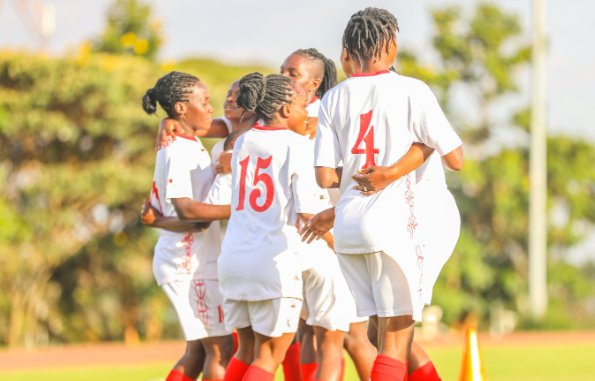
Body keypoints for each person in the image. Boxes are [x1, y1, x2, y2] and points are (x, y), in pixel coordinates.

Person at [302, 8, 463, 381]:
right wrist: (402, 163)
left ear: (348, 51)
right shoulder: (411, 89)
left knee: (380, 332)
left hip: (350, 227)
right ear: (389, 43)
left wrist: (357, 185)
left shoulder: (334, 98)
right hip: (396, 225)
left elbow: (326, 176)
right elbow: (456, 159)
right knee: (394, 341)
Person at [218, 72, 324, 381]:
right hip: (272, 260)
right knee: (269, 355)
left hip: (234, 257)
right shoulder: (297, 145)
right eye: (304, 105)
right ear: (286, 109)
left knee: (245, 351)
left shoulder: (244, 140)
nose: (308, 114)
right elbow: (307, 212)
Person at [142, 71, 234, 381]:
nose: (211, 108)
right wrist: (239, 209)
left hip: (195, 259)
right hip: (186, 262)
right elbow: (184, 208)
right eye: (205, 102)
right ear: (181, 108)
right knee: (221, 348)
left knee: (199, 351)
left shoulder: (189, 142)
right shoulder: (177, 149)